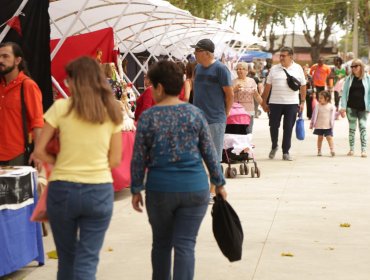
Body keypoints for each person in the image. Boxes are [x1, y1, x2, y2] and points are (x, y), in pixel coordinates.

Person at [130, 60, 226, 280]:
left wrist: (136, 188)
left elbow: (138, 159)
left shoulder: (148, 117)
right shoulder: (195, 114)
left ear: (160, 87)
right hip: (195, 189)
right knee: (185, 245)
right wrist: (219, 183)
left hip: (160, 190)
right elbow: (210, 153)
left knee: (161, 245)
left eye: (151, 86)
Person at [34, 56, 123, 280]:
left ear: (76, 81)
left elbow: (39, 150)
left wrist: (62, 162)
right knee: (87, 260)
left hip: (63, 190)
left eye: (68, 80)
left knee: (66, 259)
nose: (66, 85)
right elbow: (115, 159)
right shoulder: (112, 110)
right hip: (99, 191)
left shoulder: (60, 108)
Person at [191, 38, 233, 200]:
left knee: (213, 157)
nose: (195, 53)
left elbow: (229, 95)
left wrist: (225, 115)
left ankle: (213, 191)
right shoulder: (198, 69)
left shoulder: (221, 69)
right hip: (198, 120)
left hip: (215, 120)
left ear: (207, 53)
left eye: (197, 51)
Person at [0, 42, 44, 167]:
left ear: (18, 60)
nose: (1, 60)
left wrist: (39, 152)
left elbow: (38, 121)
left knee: (15, 188)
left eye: (5, 56)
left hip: (16, 155)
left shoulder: (28, 85)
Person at [261, 46, 306, 161]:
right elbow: (267, 87)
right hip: (275, 103)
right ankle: (274, 145)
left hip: (292, 103)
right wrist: (263, 103)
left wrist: (302, 102)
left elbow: (303, 86)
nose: (281, 57)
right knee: (273, 126)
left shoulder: (298, 68)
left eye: (283, 56)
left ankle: (285, 151)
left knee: (288, 128)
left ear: (291, 56)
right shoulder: (274, 69)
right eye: (280, 55)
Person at [340, 59, 370, 158]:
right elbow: (344, 93)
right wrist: (343, 107)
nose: (353, 68)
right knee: (352, 129)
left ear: (361, 67)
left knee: (363, 127)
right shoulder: (349, 79)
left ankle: (363, 150)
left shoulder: (368, 78)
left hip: (363, 108)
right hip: (351, 107)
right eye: (352, 67)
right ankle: (351, 149)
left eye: (355, 66)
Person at [233, 62, 262, 133]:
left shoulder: (252, 81)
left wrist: (263, 105)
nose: (239, 71)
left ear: (247, 71)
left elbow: (257, 95)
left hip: (249, 112)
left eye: (242, 69)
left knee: (248, 133)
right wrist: (234, 89)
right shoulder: (233, 82)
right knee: (238, 134)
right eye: (238, 69)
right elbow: (227, 96)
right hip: (237, 113)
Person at [309, 91, 336, 156]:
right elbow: (313, 115)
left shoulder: (331, 106)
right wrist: (312, 123)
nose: (319, 99)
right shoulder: (317, 106)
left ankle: (332, 150)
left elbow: (334, 114)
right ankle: (319, 150)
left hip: (328, 126)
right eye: (319, 98)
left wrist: (340, 113)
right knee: (320, 138)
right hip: (319, 126)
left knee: (329, 137)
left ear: (326, 98)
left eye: (321, 98)